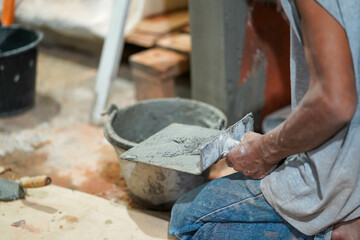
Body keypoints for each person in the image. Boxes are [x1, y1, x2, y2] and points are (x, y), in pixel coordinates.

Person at [169, 0, 360, 239]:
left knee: (185, 220)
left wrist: (265, 152)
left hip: (341, 182)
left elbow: (335, 102)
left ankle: (341, 230)